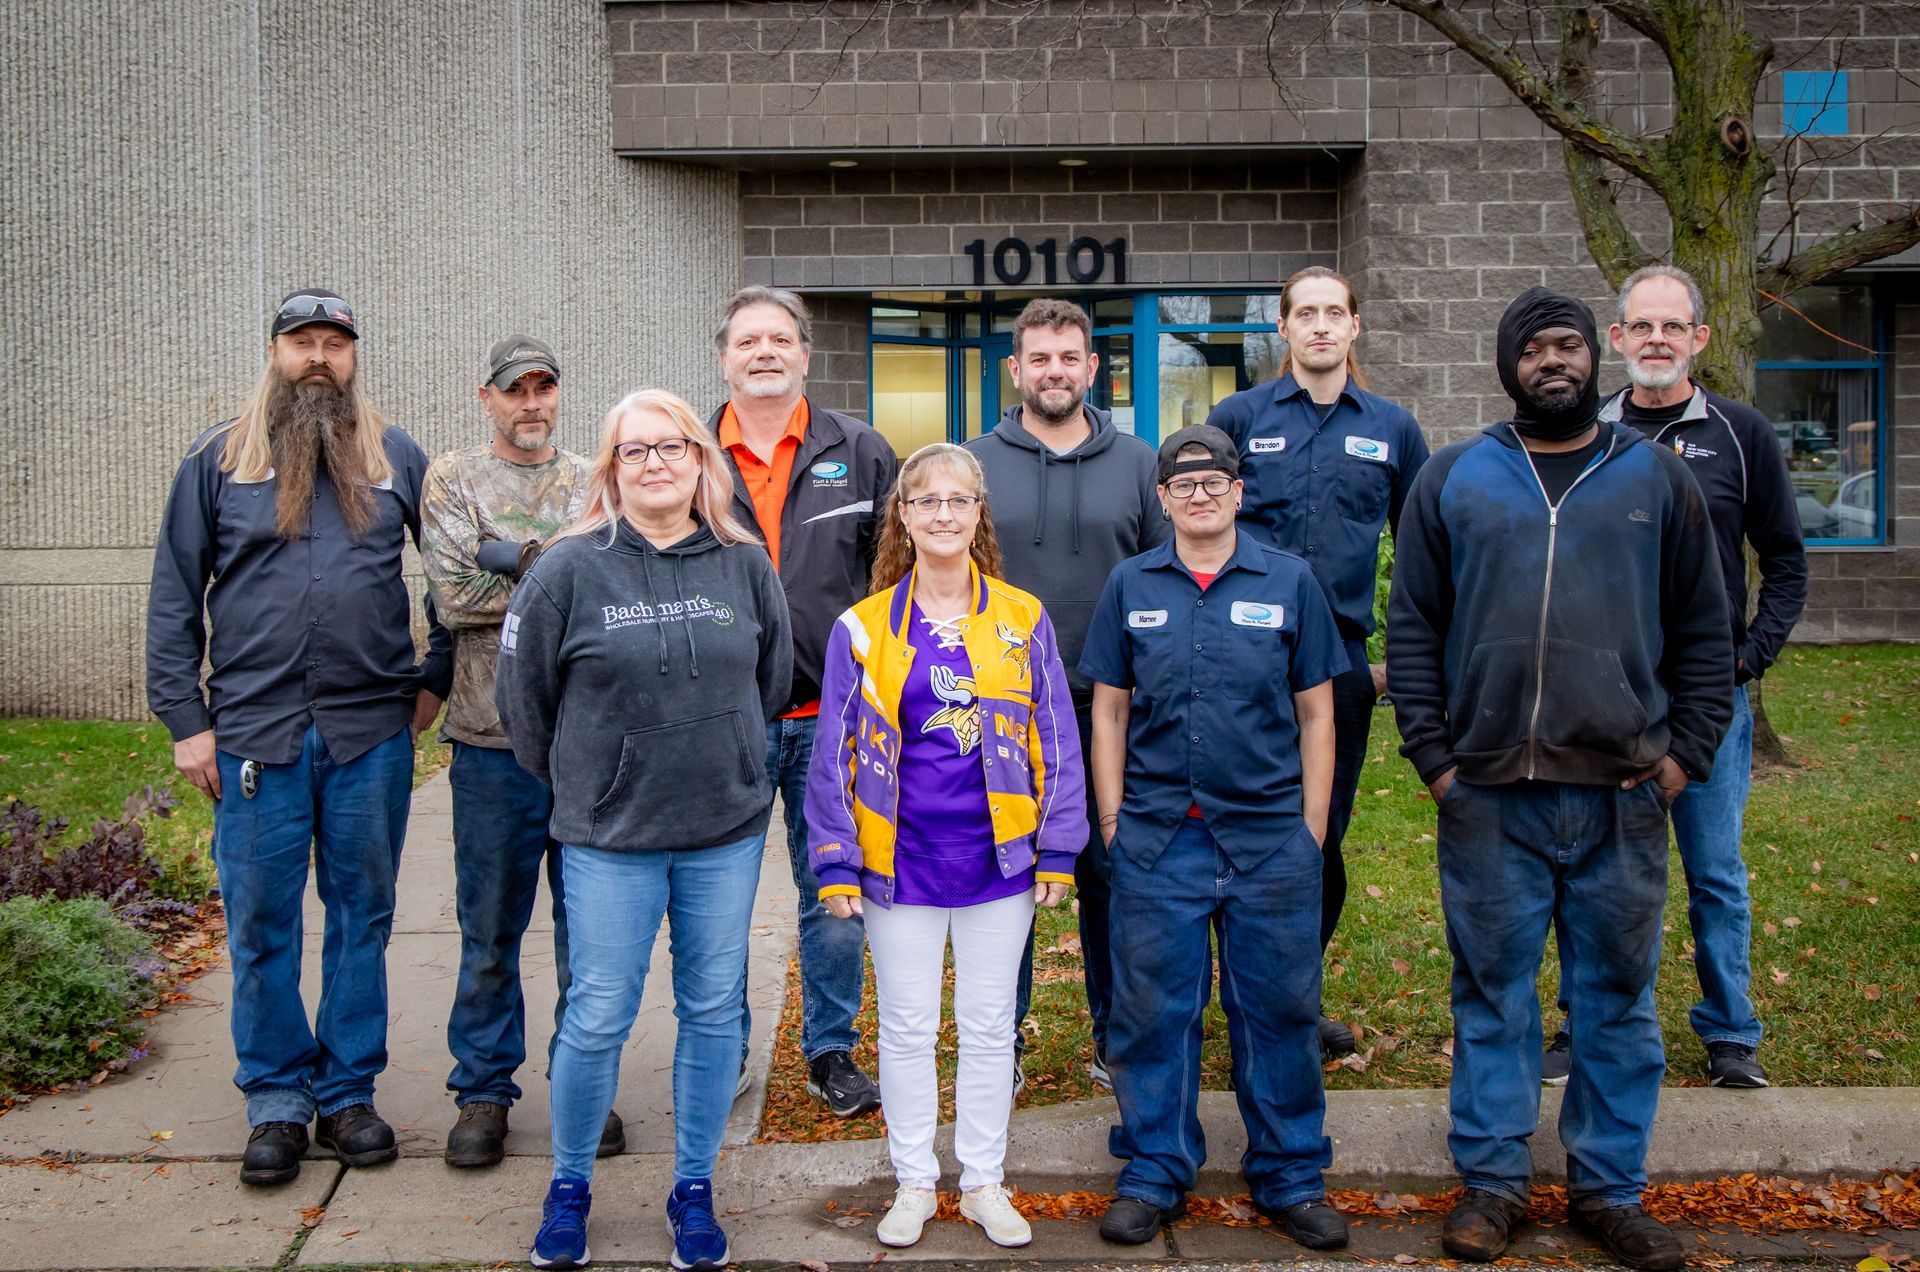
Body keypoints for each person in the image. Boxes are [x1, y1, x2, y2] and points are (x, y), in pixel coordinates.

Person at [1387, 288, 1732, 1271]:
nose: (1555, 362)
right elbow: (1412, 625)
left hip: (1622, 793)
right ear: (1509, 365)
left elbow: (1705, 633)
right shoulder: (1455, 477)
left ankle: (1609, 1191)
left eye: (1569, 346)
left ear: (1595, 358)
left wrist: (1681, 760)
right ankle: (1493, 1184)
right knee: (1492, 995)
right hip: (1489, 796)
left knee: (1616, 999)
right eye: (1535, 348)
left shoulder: (1656, 478)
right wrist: (1437, 762)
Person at [147, 288, 440, 1185]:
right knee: (262, 924)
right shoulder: (217, 461)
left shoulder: (394, 458)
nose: (319, 357)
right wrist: (186, 722)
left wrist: (432, 678)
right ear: (275, 352)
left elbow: (455, 573)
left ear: (354, 357)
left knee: (362, 918)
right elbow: (173, 595)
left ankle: (348, 1092)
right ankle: (276, 1098)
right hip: (254, 735)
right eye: (302, 341)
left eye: (334, 344)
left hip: (369, 734)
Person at [496, 389, 792, 1272]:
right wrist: (592, 783)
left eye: (673, 447)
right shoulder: (567, 571)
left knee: (713, 1010)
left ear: (701, 461)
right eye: (636, 450)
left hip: (723, 832)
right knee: (597, 1014)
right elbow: (524, 706)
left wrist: (733, 762)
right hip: (610, 839)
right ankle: (570, 1187)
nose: (656, 463)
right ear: (612, 468)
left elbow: (771, 682)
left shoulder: (745, 565)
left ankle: (694, 1186)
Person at [805, 443, 1085, 1251]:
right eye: (926, 500)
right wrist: (836, 858)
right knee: (906, 1030)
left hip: (999, 861)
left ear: (978, 513)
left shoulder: (1022, 617)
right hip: (901, 864)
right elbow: (834, 752)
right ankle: (915, 1182)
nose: (943, 514)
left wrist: (1059, 845)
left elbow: (1055, 736)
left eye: (959, 500)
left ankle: (985, 1181)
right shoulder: (862, 628)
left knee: (991, 1028)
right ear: (903, 515)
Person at [1535, 265, 1806, 1089]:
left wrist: (1746, 659)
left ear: (1700, 338)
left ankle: (1731, 1033)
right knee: (1594, 873)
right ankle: (1588, 1023)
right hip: (1608, 699)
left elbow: (1786, 563)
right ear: (1617, 338)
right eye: (1642, 326)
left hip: (1707, 700)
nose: (1658, 340)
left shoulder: (1741, 434)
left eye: (1673, 326)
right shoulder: (1587, 433)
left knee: (1713, 870)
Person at [1080, 425, 1350, 1252]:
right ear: (1162, 499)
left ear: (1239, 492)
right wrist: (1112, 820)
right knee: (1152, 1013)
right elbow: (1109, 708)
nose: (1200, 496)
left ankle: (1291, 1173)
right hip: (1160, 838)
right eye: (1183, 485)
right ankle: (1154, 1167)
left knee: (1280, 1011)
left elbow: (1318, 712)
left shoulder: (1289, 580)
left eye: (1214, 482)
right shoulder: (1130, 584)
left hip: (1270, 841)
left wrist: (1311, 828)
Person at [1205, 266, 1429, 1057]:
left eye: (1335, 312)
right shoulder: (1238, 418)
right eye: (1306, 312)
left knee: (1319, 837)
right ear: (1284, 327)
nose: (1322, 325)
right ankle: (1237, 989)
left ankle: (1289, 998)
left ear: (1355, 326)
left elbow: (1423, 553)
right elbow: (1199, 532)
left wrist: (1404, 660)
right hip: (1241, 663)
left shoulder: (1394, 429)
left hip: (1340, 669)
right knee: (1233, 827)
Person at [421, 335, 629, 1167]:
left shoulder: (594, 478)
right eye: (516, 390)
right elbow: (453, 594)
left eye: (545, 387)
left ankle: (585, 1088)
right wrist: (557, 572)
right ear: (489, 398)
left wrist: (510, 560)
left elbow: (613, 593)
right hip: (490, 746)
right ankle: (482, 1091)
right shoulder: (454, 478)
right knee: (489, 931)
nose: (532, 402)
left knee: (590, 937)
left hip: (586, 748)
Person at [964, 297, 1166, 1094]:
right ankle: (999, 1042)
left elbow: (1164, 578)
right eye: (1040, 359)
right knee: (1004, 881)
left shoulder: (1139, 464)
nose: (1055, 371)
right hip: (1000, 714)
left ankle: (1117, 1039)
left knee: (1115, 879)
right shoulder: (973, 465)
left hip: (1113, 710)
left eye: (1069, 357)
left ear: (1092, 367)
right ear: (1015, 370)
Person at [707, 286, 900, 1117]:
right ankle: (722, 1049)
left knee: (834, 892)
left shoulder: (860, 450)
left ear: (805, 356)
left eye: (780, 339)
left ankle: (830, 1051)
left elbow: (893, 575)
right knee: (716, 896)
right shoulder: (690, 456)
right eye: (748, 340)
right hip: (721, 719)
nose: (765, 352)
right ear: (725, 358)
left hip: (831, 718)